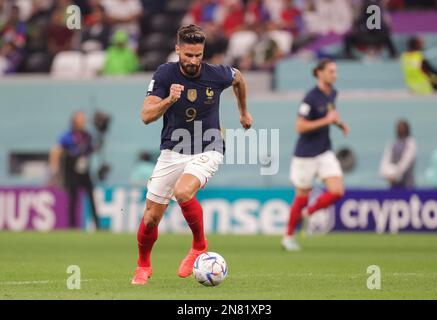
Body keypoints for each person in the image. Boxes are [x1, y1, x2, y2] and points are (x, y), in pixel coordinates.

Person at [131, 24, 253, 285]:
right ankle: (143, 266)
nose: (193, 61)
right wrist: (169, 101)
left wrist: (243, 111)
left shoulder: (216, 74)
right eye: (188, 55)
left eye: (198, 55)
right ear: (178, 50)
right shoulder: (165, 75)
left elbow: (239, 79)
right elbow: (145, 116)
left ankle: (199, 245)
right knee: (151, 218)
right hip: (172, 152)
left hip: (209, 147)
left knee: (183, 192)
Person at [282, 59, 349, 251]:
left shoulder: (333, 93)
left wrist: (338, 123)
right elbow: (300, 126)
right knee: (302, 195)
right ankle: (288, 236)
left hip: (324, 150)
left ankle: (309, 212)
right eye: (330, 71)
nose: (334, 75)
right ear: (319, 73)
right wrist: (326, 120)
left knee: (337, 191)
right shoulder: (310, 98)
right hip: (305, 154)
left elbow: (330, 114)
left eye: (335, 71)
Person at [49, 111, 101, 229]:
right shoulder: (67, 135)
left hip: (84, 171)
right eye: (81, 119)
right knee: (73, 199)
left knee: (91, 196)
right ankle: (72, 225)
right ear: (75, 121)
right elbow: (56, 151)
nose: (84, 121)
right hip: (71, 171)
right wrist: (55, 171)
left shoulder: (87, 136)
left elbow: (91, 150)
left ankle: (97, 225)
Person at [379, 120, 417, 189]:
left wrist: (396, 173)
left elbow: (406, 161)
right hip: (393, 182)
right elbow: (385, 161)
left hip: (407, 183)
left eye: (402, 128)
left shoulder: (411, 143)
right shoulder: (392, 144)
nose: (400, 130)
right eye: (399, 128)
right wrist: (387, 173)